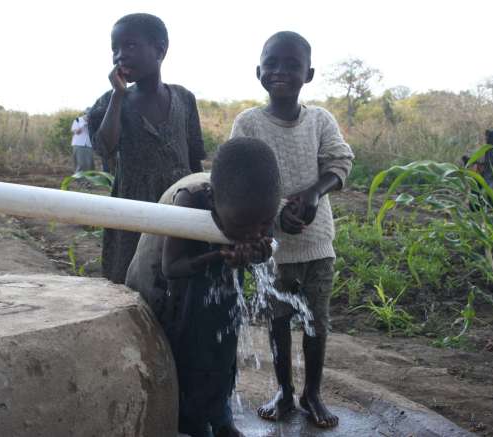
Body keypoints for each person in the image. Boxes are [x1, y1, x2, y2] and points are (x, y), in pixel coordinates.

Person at [230, 31, 354, 429]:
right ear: (258, 72)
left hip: (317, 244)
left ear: (309, 74)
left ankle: (312, 393)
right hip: (271, 247)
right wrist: (276, 215)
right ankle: (284, 390)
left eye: (292, 65)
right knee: (278, 320)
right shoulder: (248, 123)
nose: (281, 71)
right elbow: (239, 181)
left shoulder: (320, 120)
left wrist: (316, 193)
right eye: (272, 64)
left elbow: (339, 162)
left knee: (316, 321)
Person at [126, 137, 282, 437]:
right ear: (213, 203)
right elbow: (171, 268)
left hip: (214, 273)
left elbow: (266, 243)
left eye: (263, 224)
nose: (254, 233)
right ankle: (192, 423)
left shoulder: (258, 204)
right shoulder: (190, 200)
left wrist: (258, 250)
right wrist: (218, 256)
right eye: (243, 228)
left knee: (222, 342)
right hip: (166, 287)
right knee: (182, 352)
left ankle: (221, 417)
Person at [87, 13, 205, 284]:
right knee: (129, 279)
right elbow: (105, 147)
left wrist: (202, 207)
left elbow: (195, 161)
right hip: (132, 208)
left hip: (180, 204)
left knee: (177, 277)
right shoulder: (110, 102)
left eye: (129, 46)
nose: (120, 56)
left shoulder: (184, 99)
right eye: (114, 49)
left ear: (160, 50)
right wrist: (118, 95)